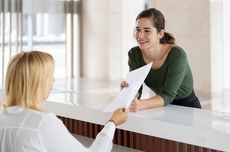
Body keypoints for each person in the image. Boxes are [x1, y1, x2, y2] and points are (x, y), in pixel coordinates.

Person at [0, 51, 128, 152]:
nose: (53, 80)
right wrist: (112, 123)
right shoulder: (42, 122)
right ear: (38, 82)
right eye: (49, 76)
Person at [120, 8, 202, 112]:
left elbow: (167, 95)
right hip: (161, 105)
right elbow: (137, 88)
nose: (140, 35)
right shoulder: (134, 54)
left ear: (160, 33)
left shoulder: (177, 55)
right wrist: (129, 92)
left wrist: (141, 105)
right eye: (138, 29)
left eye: (147, 30)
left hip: (187, 107)